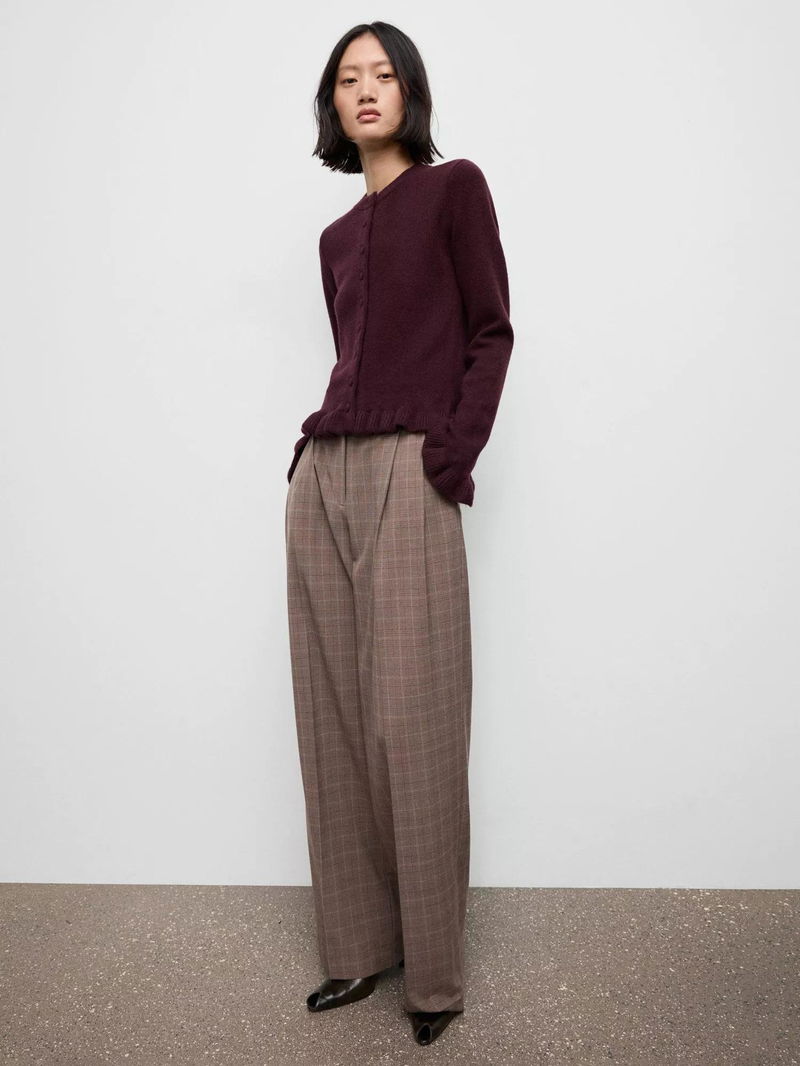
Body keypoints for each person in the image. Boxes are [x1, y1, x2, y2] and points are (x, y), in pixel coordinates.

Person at [284, 20, 514, 1048]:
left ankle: (433, 976)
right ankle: (355, 948)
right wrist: (307, 461)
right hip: (323, 471)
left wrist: (449, 455)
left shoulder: (455, 188)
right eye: (348, 79)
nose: (366, 90)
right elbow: (352, 356)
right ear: (333, 105)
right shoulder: (334, 238)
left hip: (410, 469)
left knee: (412, 722)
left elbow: (490, 332)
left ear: (410, 91)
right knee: (333, 717)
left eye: (383, 74)